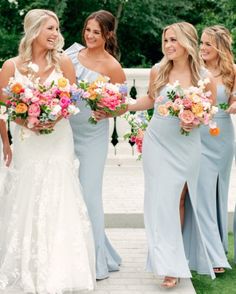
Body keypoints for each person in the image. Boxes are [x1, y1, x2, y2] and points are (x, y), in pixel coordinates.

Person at [0, 9, 95, 293]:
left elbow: (72, 101)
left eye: (56, 28)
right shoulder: (10, 66)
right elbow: (4, 108)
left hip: (58, 139)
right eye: (49, 29)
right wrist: (10, 139)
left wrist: (53, 117)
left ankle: (61, 269)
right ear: (33, 32)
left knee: (59, 193)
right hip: (27, 141)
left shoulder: (64, 62)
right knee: (28, 194)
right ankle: (26, 267)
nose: (55, 34)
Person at [127, 22, 216, 288]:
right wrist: (124, 106)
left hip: (186, 146)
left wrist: (195, 121)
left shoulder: (204, 77)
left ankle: (173, 258)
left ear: (187, 41)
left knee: (178, 201)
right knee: (159, 200)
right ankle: (168, 264)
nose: (168, 45)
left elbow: (209, 114)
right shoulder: (158, 70)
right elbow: (150, 101)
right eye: (165, 40)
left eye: (173, 40)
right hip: (157, 143)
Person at [65, 10, 126, 280]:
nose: (90, 36)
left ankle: (98, 260)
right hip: (65, 130)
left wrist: (108, 112)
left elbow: (123, 105)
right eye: (87, 30)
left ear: (108, 35)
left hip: (93, 134)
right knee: (68, 192)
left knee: (90, 194)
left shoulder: (113, 66)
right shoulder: (70, 54)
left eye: (96, 32)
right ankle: (73, 254)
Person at [197, 25, 236, 274]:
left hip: (221, 136)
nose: (202, 48)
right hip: (197, 136)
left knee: (218, 193)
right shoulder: (193, 69)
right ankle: (209, 253)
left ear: (220, 47)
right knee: (202, 193)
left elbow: (234, 98)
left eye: (207, 44)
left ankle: (218, 248)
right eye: (201, 43)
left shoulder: (232, 71)